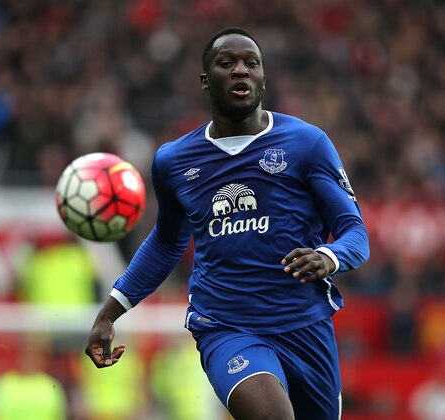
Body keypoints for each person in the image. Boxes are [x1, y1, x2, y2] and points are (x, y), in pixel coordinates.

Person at [85, 27, 370, 420]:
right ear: (206, 80)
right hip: (226, 326)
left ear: (263, 79)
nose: (241, 71)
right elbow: (167, 243)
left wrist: (329, 256)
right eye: (227, 63)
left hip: (305, 324)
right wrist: (110, 313)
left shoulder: (307, 143)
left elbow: (355, 232)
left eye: (251, 64)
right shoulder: (174, 162)